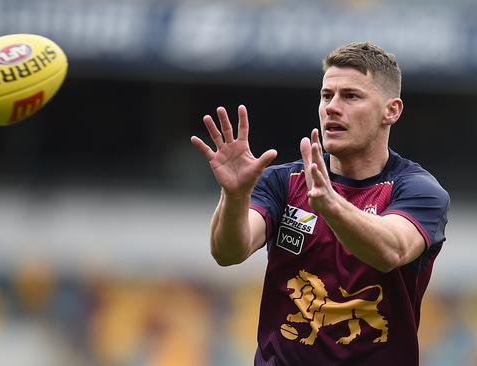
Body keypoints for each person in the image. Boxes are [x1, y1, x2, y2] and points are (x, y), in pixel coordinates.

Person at [190, 41, 449, 365]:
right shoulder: (283, 182)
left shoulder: (418, 190)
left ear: (391, 110)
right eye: (327, 96)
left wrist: (331, 205)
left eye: (351, 96)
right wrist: (235, 195)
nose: (332, 107)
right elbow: (228, 252)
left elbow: (391, 251)